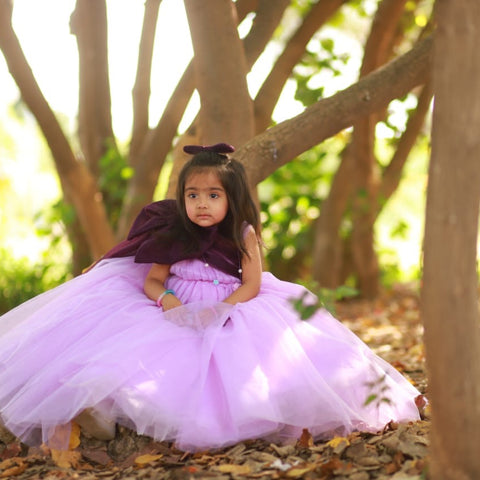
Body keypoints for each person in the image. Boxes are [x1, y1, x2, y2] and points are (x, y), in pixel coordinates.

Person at [0, 143, 423, 452]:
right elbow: (153, 279)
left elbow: (252, 284)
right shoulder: (174, 232)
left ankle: (205, 418)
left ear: (231, 199)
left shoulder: (243, 234)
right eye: (193, 195)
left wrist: (224, 309)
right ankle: (99, 409)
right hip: (175, 308)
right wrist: (166, 301)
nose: (201, 204)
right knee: (134, 352)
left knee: (225, 363)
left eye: (213, 195)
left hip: (230, 303)